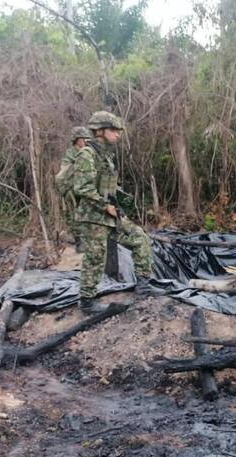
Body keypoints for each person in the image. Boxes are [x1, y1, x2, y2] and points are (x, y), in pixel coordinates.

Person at [71, 111, 153, 314]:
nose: (118, 134)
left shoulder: (105, 156)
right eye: (114, 130)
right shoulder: (86, 155)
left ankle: (144, 286)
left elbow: (108, 187)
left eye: (118, 131)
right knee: (96, 257)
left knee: (139, 237)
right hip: (93, 216)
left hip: (109, 213)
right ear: (99, 131)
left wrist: (120, 201)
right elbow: (82, 188)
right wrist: (104, 206)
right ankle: (87, 302)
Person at [57, 126, 92, 252]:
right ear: (77, 139)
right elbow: (65, 173)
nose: (86, 141)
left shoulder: (87, 151)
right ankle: (79, 243)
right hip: (72, 190)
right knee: (75, 216)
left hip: (84, 189)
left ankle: (86, 241)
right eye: (83, 138)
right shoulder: (71, 154)